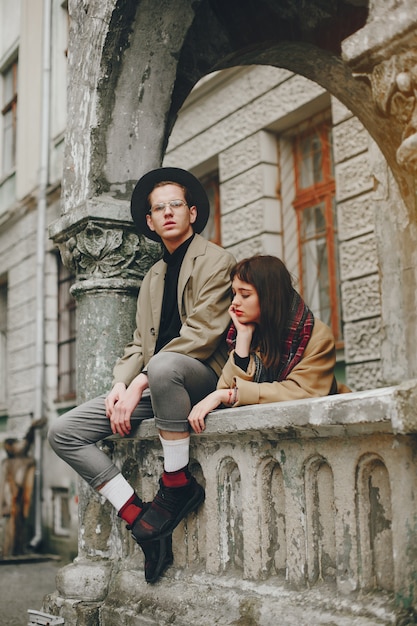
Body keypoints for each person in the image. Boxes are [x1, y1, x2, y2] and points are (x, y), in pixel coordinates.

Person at [48, 167, 235, 584]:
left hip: (201, 376)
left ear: (191, 212)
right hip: (158, 381)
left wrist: (139, 383)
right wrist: (120, 383)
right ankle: (143, 521)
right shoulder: (153, 276)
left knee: (166, 366)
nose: (167, 213)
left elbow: (202, 336)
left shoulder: (218, 260)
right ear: (149, 222)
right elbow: (138, 343)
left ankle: (177, 484)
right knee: (63, 431)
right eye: (158, 209)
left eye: (175, 205)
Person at [188, 255, 349, 434]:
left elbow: (301, 392)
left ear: (269, 296)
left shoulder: (314, 335)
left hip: (325, 430)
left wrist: (232, 395)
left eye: (245, 294)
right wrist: (243, 338)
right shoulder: (249, 331)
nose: (234, 303)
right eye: (234, 294)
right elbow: (226, 391)